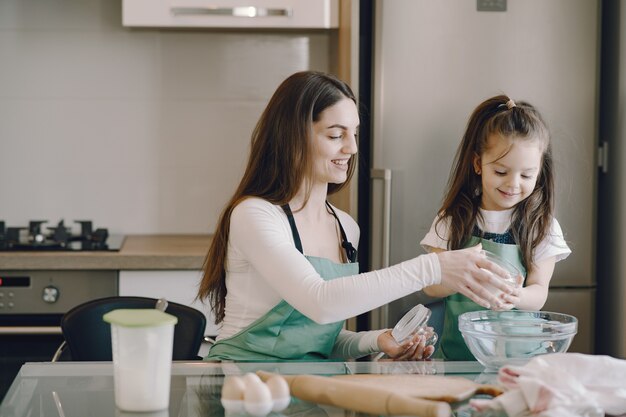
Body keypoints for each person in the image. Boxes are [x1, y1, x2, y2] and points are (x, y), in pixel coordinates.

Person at [197, 71, 513, 362]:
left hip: (304, 392)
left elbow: (319, 338)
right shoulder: (255, 215)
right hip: (240, 384)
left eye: (354, 134)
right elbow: (320, 302)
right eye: (336, 135)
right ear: (291, 137)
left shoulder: (345, 227)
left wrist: (378, 340)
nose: (351, 147)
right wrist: (433, 268)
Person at [420, 95, 571, 361]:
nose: (513, 184)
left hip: (520, 361)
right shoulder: (452, 220)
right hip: (458, 359)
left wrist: (516, 296)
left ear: (539, 172)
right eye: (501, 172)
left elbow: (539, 292)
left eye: (526, 175)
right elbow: (431, 286)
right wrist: (461, 278)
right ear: (478, 164)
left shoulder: (541, 226)